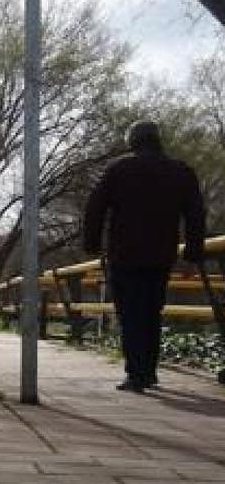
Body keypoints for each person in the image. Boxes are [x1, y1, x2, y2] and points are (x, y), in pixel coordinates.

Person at [83, 121, 206, 392]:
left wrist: (91, 243)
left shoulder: (119, 169)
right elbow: (195, 214)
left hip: (124, 254)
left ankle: (137, 373)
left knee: (129, 314)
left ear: (133, 142)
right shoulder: (181, 172)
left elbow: (95, 208)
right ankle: (148, 370)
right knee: (151, 312)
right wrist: (194, 251)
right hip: (161, 255)